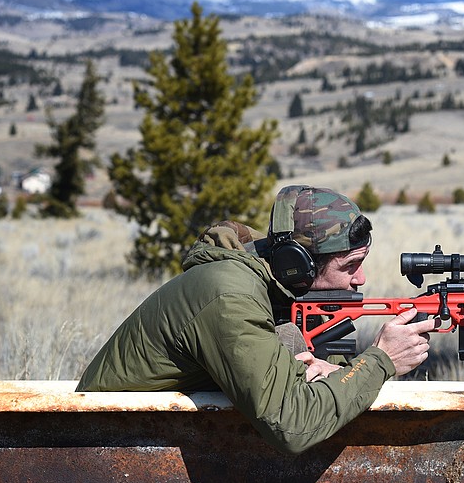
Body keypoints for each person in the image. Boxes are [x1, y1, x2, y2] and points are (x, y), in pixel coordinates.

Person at [76, 184, 437, 455]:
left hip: (140, 439)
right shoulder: (231, 296)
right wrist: (380, 360)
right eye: (350, 266)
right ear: (297, 264)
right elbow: (293, 425)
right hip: (99, 446)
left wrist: (332, 371)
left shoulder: (255, 281)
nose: (360, 280)